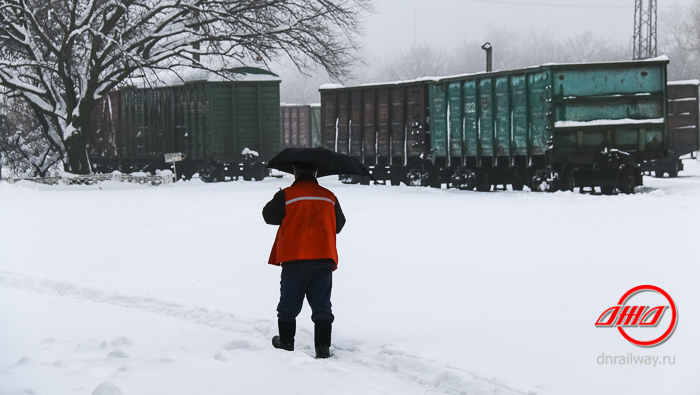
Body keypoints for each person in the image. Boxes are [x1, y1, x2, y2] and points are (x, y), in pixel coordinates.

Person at [262, 163, 346, 359]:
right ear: (315, 172)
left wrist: (280, 198)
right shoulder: (329, 196)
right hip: (324, 257)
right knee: (322, 304)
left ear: (295, 172)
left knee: (289, 302)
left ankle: (286, 342)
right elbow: (339, 225)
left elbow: (268, 216)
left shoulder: (288, 195)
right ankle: (323, 347)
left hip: (295, 257)